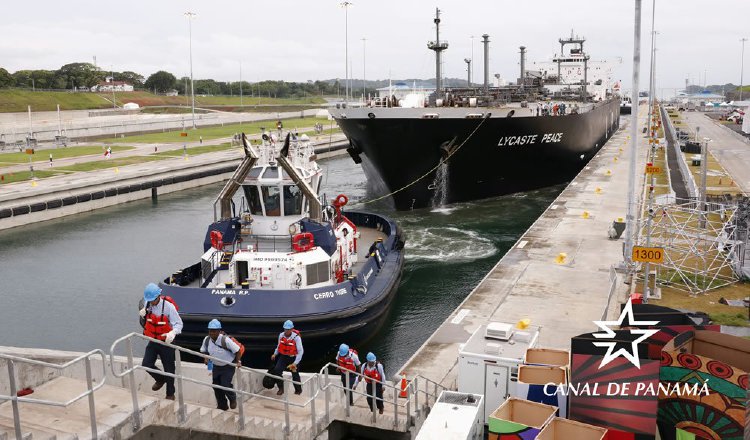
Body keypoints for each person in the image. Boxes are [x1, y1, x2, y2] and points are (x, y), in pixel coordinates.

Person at [139, 283, 182, 400]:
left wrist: (172, 333)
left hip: (166, 342)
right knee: (146, 364)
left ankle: (170, 394)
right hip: (153, 341)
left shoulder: (168, 307)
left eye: (153, 300)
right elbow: (146, 320)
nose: (151, 302)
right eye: (149, 300)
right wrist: (143, 312)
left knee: (169, 369)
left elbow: (179, 324)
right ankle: (160, 378)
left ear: (158, 296)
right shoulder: (148, 304)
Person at [200, 319, 240, 410]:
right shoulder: (206, 340)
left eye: (214, 331)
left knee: (225, 385)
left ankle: (232, 398)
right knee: (216, 386)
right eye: (210, 331)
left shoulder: (225, 340)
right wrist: (206, 358)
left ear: (219, 331)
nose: (211, 333)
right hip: (215, 366)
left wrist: (238, 362)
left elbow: (237, 350)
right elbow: (204, 351)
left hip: (228, 366)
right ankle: (222, 405)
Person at [271, 320, 303, 395]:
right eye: (285, 329)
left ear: (292, 329)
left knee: (295, 374)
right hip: (283, 357)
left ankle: (298, 390)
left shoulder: (296, 338)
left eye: (288, 329)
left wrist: (295, 363)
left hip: (293, 358)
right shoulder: (281, 335)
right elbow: (279, 346)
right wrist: (275, 354)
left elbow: (300, 351)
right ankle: (281, 388)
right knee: (277, 370)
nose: (286, 331)